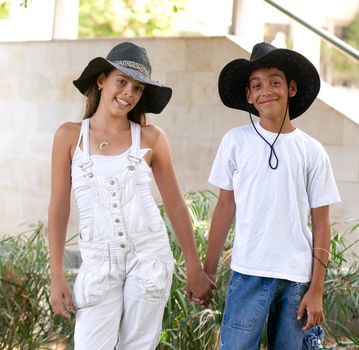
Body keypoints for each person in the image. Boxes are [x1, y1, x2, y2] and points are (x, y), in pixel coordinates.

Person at [48, 41, 214, 350]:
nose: (128, 93)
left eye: (137, 88)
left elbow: (175, 205)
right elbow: (58, 209)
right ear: (101, 80)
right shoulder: (69, 136)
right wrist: (56, 274)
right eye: (121, 81)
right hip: (98, 262)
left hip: (149, 257)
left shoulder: (151, 138)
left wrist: (194, 267)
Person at [202, 42, 341, 349]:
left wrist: (316, 288)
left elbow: (321, 223)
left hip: (297, 278)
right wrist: (208, 271)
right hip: (248, 272)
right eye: (257, 85)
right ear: (249, 96)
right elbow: (225, 207)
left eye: (275, 82)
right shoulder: (235, 141)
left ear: (291, 88)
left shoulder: (312, 151)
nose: (267, 90)